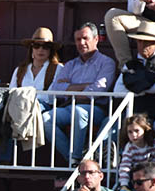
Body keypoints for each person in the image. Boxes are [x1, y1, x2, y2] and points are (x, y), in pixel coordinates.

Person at [49, 23, 117, 163]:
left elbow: (98, 91)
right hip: (70, 107)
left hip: (96, 109)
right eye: (78, 39)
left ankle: (76, 156)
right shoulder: (70, 65)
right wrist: (85, 86)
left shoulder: (107, 63)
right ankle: (74, 160)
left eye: (85, 38)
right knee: (45, 119)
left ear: (96, 39)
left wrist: (69, 89)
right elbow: (55, 89)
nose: (81, 43)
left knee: (79, 111)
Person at [111, 19, 155, 120]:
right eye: (140, 41)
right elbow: (117, 90)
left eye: (147, 42)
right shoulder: (130, 64)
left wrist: (133, 84)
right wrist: (153, 78)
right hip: (130, 116)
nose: (143, 45)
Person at [117, 114, 155, 191]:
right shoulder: (130, 147)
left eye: (137, 131)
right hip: (135, 178)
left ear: (145, 130)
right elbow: (125, 166)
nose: (133, 135)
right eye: (130, 132)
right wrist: (124, 184)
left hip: (151, 176)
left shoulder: (154, 144)